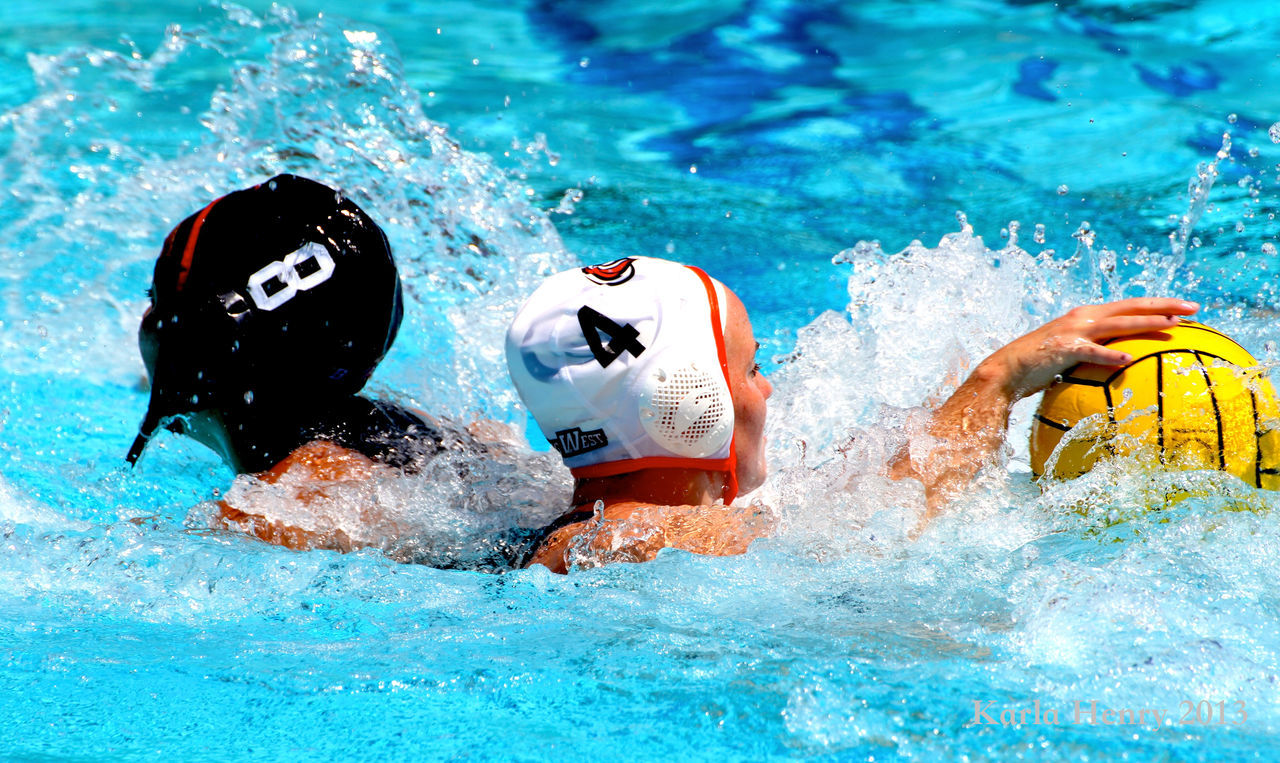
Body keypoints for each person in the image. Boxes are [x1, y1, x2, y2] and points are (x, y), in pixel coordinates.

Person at [505, 256, 1199, 572]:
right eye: (749, 369)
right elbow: (865, 532)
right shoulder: (610, 547)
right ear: (690, 408)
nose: (767, 390)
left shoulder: (569, 521)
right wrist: (998, 378)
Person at [127, 174, 490, 552]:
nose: (147, 320)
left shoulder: (270, 519)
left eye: (154, 298)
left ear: (199, 337)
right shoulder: (403, 430)